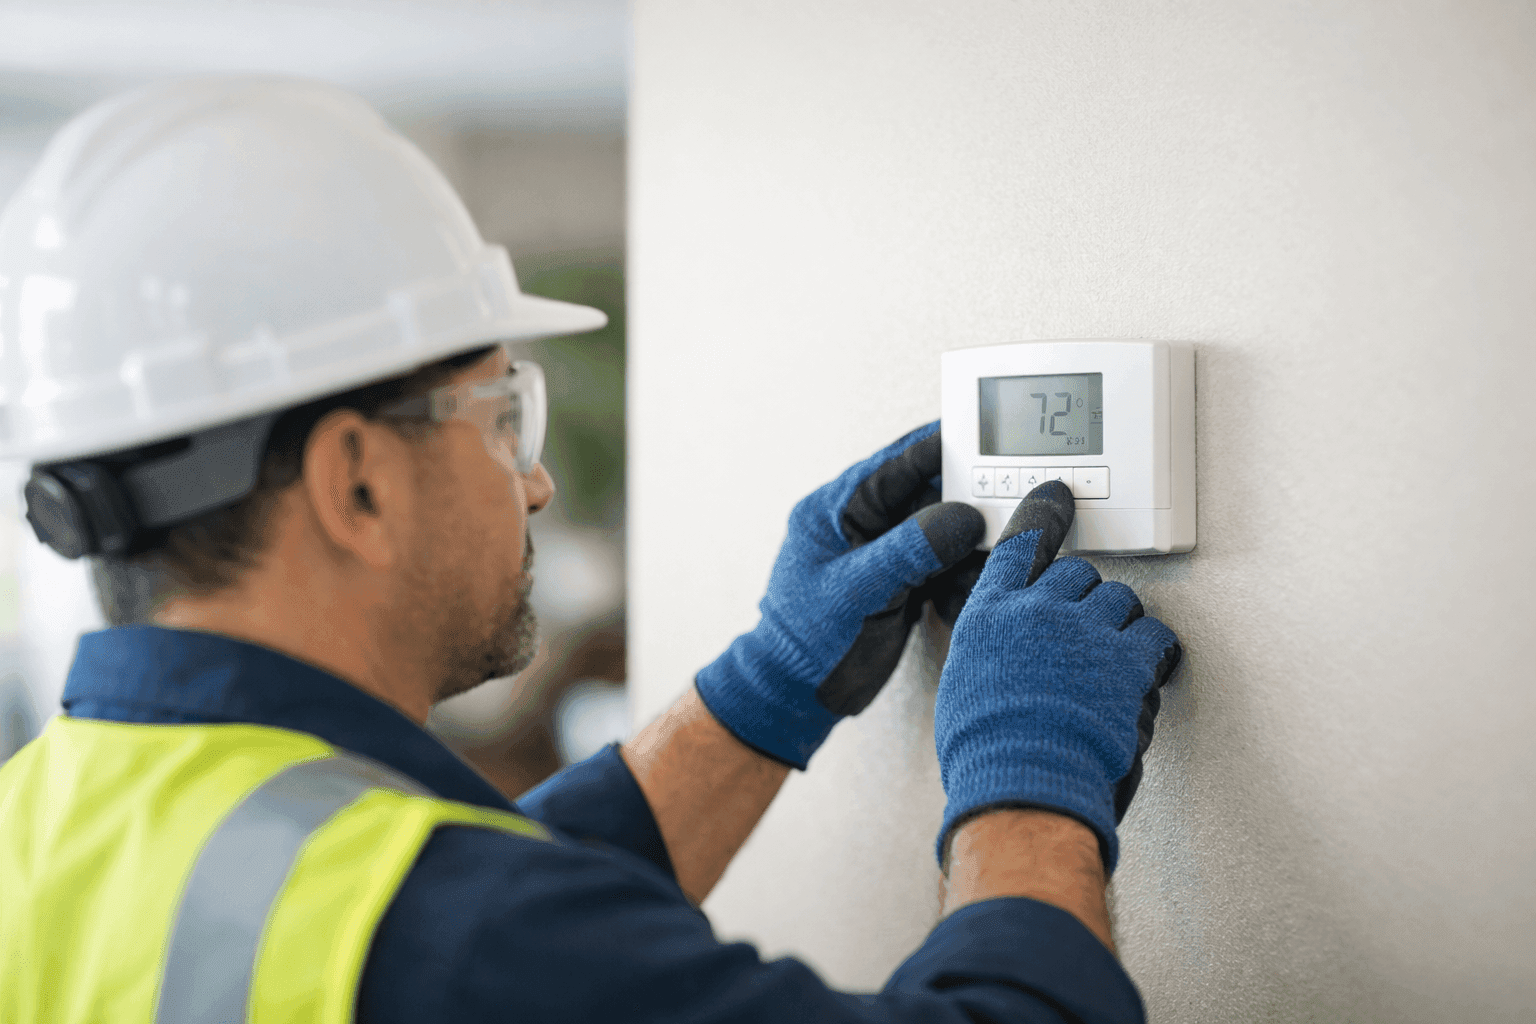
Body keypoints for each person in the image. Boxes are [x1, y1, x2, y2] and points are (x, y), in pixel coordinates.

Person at [0, 77, 1182, 1023]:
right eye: (500, 415)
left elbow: (442, 910)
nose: (536, 480)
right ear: (355, 479)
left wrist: (764, 687)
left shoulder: (39, 823)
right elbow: (480, 932)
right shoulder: (466, 932)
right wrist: (1028, 776)